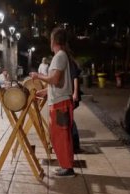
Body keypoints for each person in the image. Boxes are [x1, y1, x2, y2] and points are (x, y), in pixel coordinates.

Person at [30, 27, 78, 176]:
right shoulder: (62, 56)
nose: (49, 42)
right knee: (58, 136)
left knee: (61, 136)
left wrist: (38, 76)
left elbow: (54, 80)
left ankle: (68, 168)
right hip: (59, 102)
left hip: (60, 104)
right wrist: (42, 92)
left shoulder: (60, 56)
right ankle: (65, 165)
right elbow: (55, 83)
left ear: (54, 41)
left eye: (50, 39)